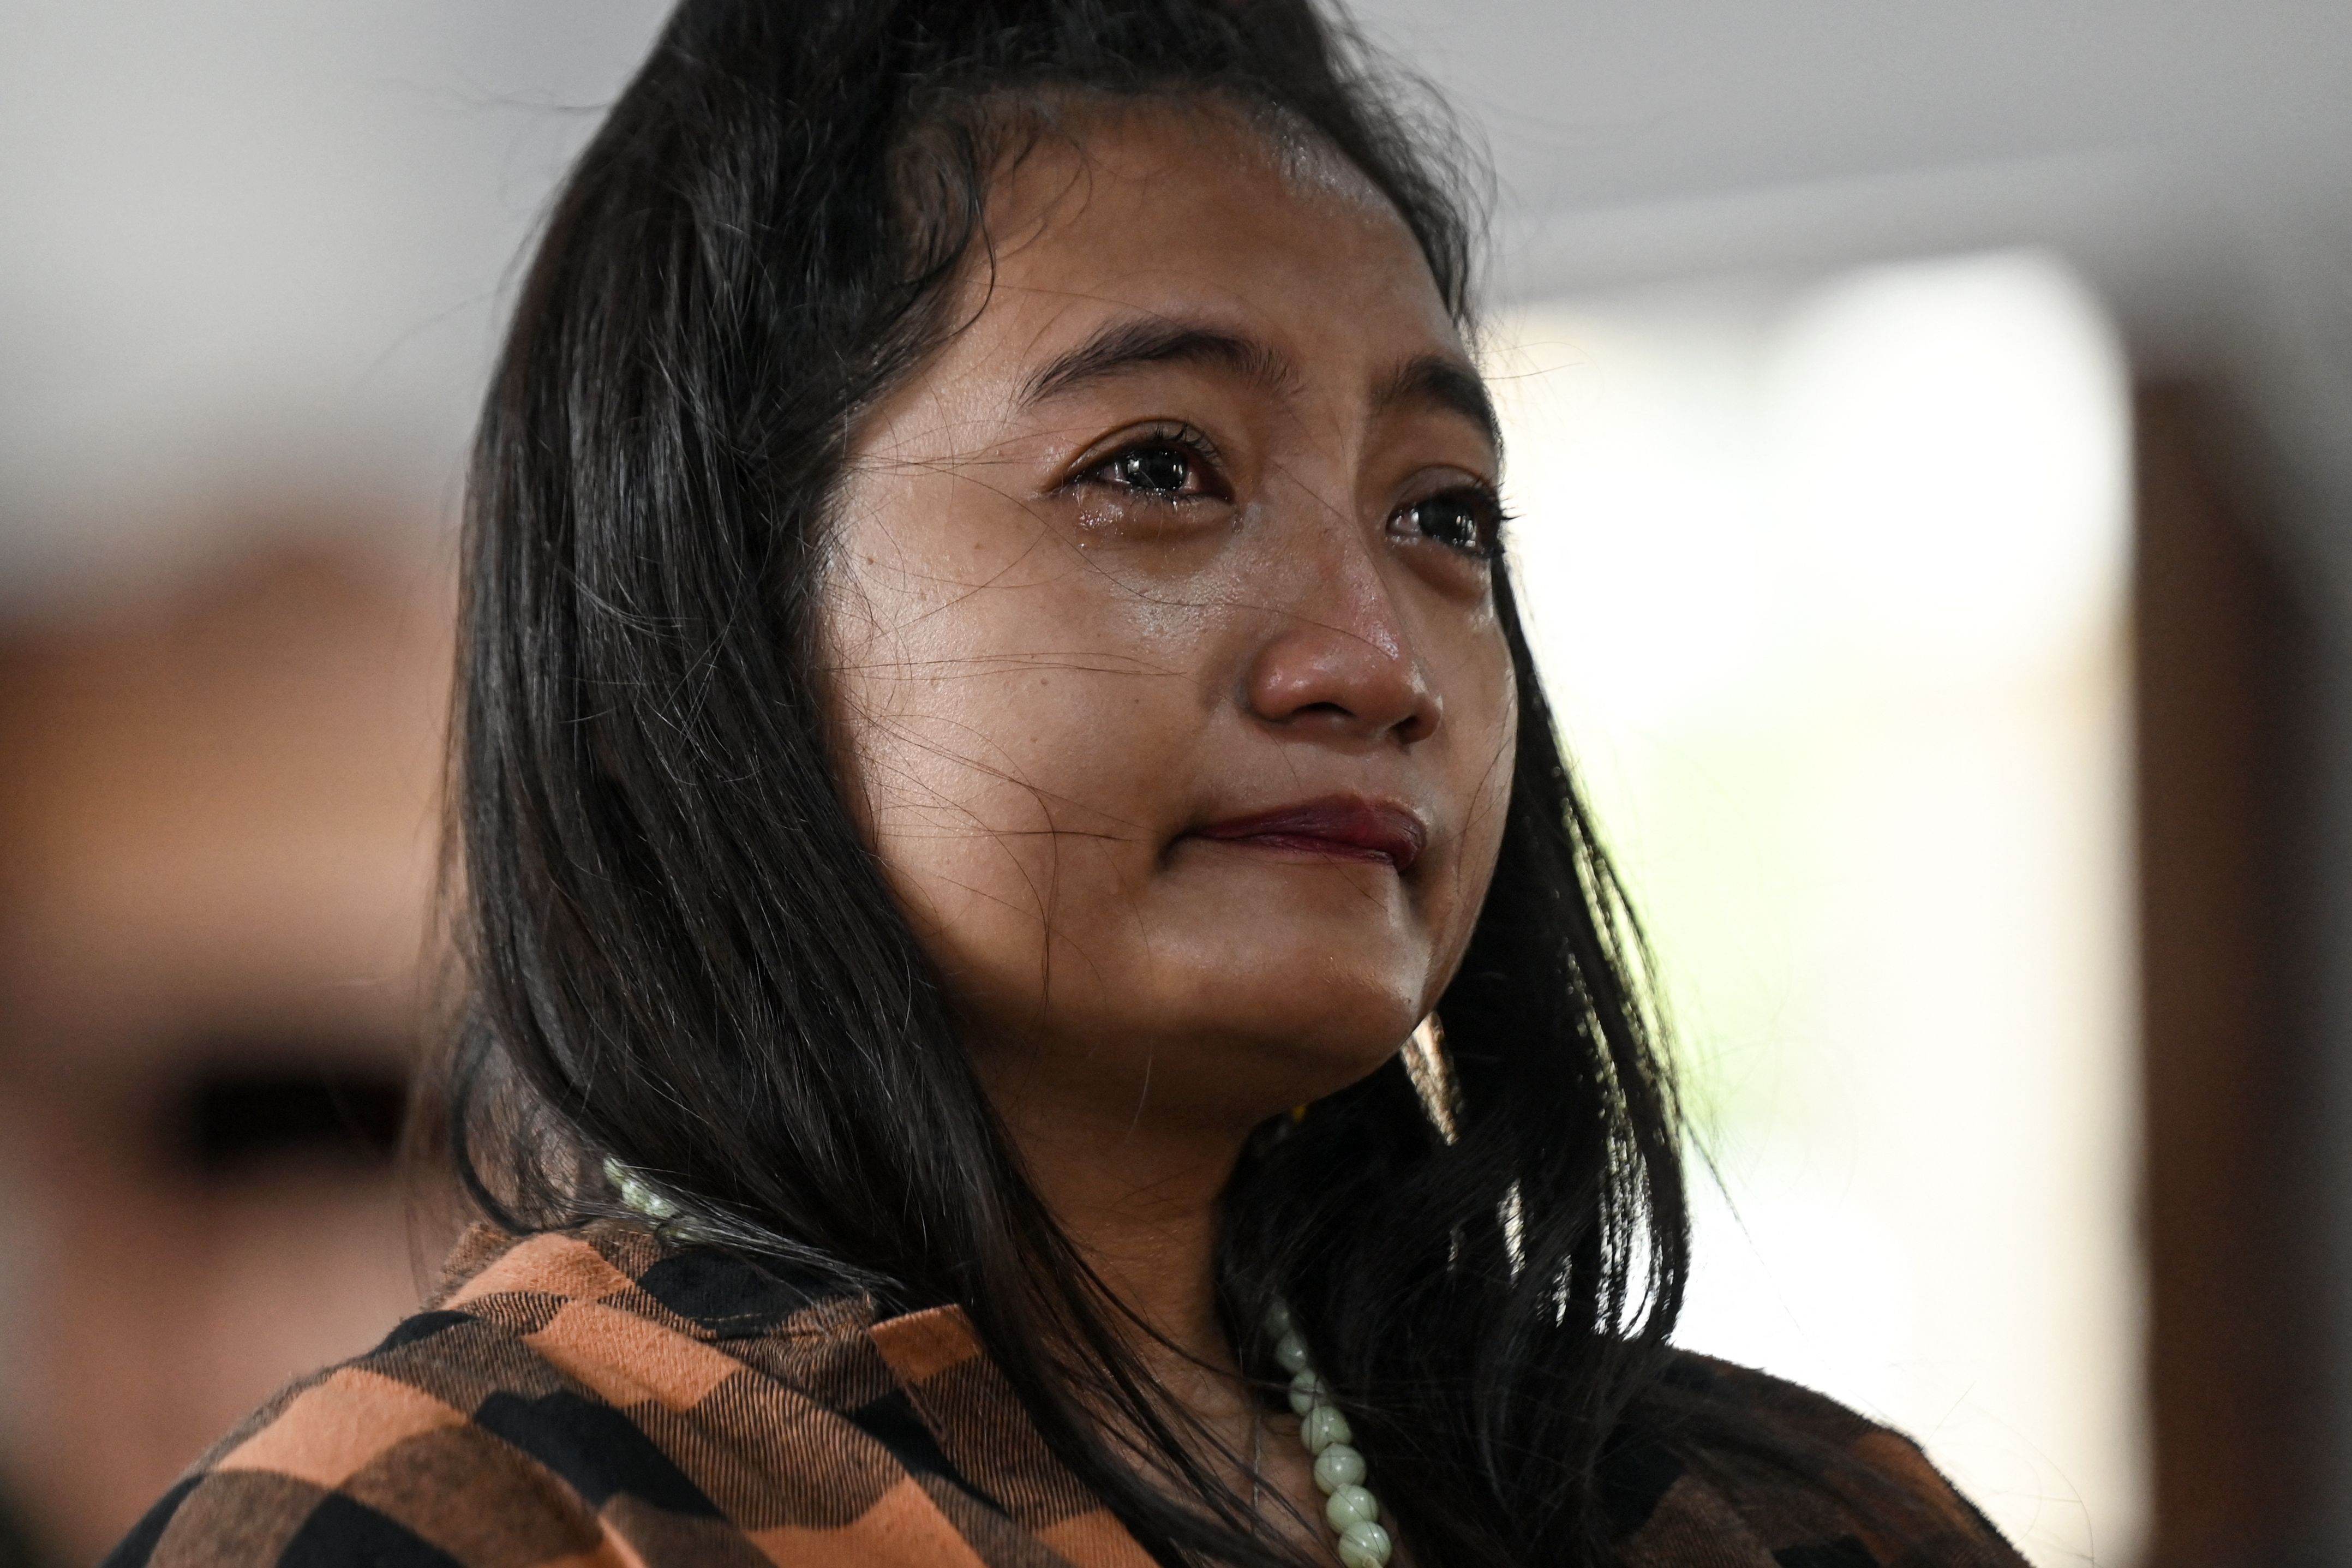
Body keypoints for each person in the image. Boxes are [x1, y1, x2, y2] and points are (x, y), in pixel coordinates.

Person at [108, 2, 2025, 1564]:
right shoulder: (454, 1523)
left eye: (1443, 512)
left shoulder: (1805, 1525)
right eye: (1157, 468)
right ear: (722, 617)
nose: (1375, 658)